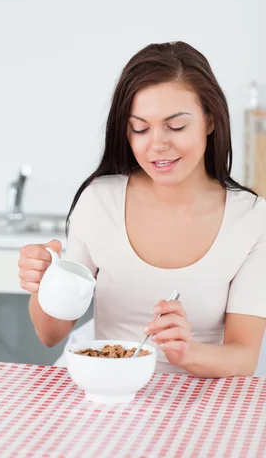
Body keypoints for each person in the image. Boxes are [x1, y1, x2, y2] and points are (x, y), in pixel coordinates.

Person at [18, 41, 266, 378]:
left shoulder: (251, 217)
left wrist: (187, 354)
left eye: (176, 126)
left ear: (210, 120)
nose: (158, 144)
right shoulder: (99, 201)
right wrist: (46, 283)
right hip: (106, 392)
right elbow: (50, 334)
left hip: (205, 405)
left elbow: (244, 357)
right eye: (140, 128)